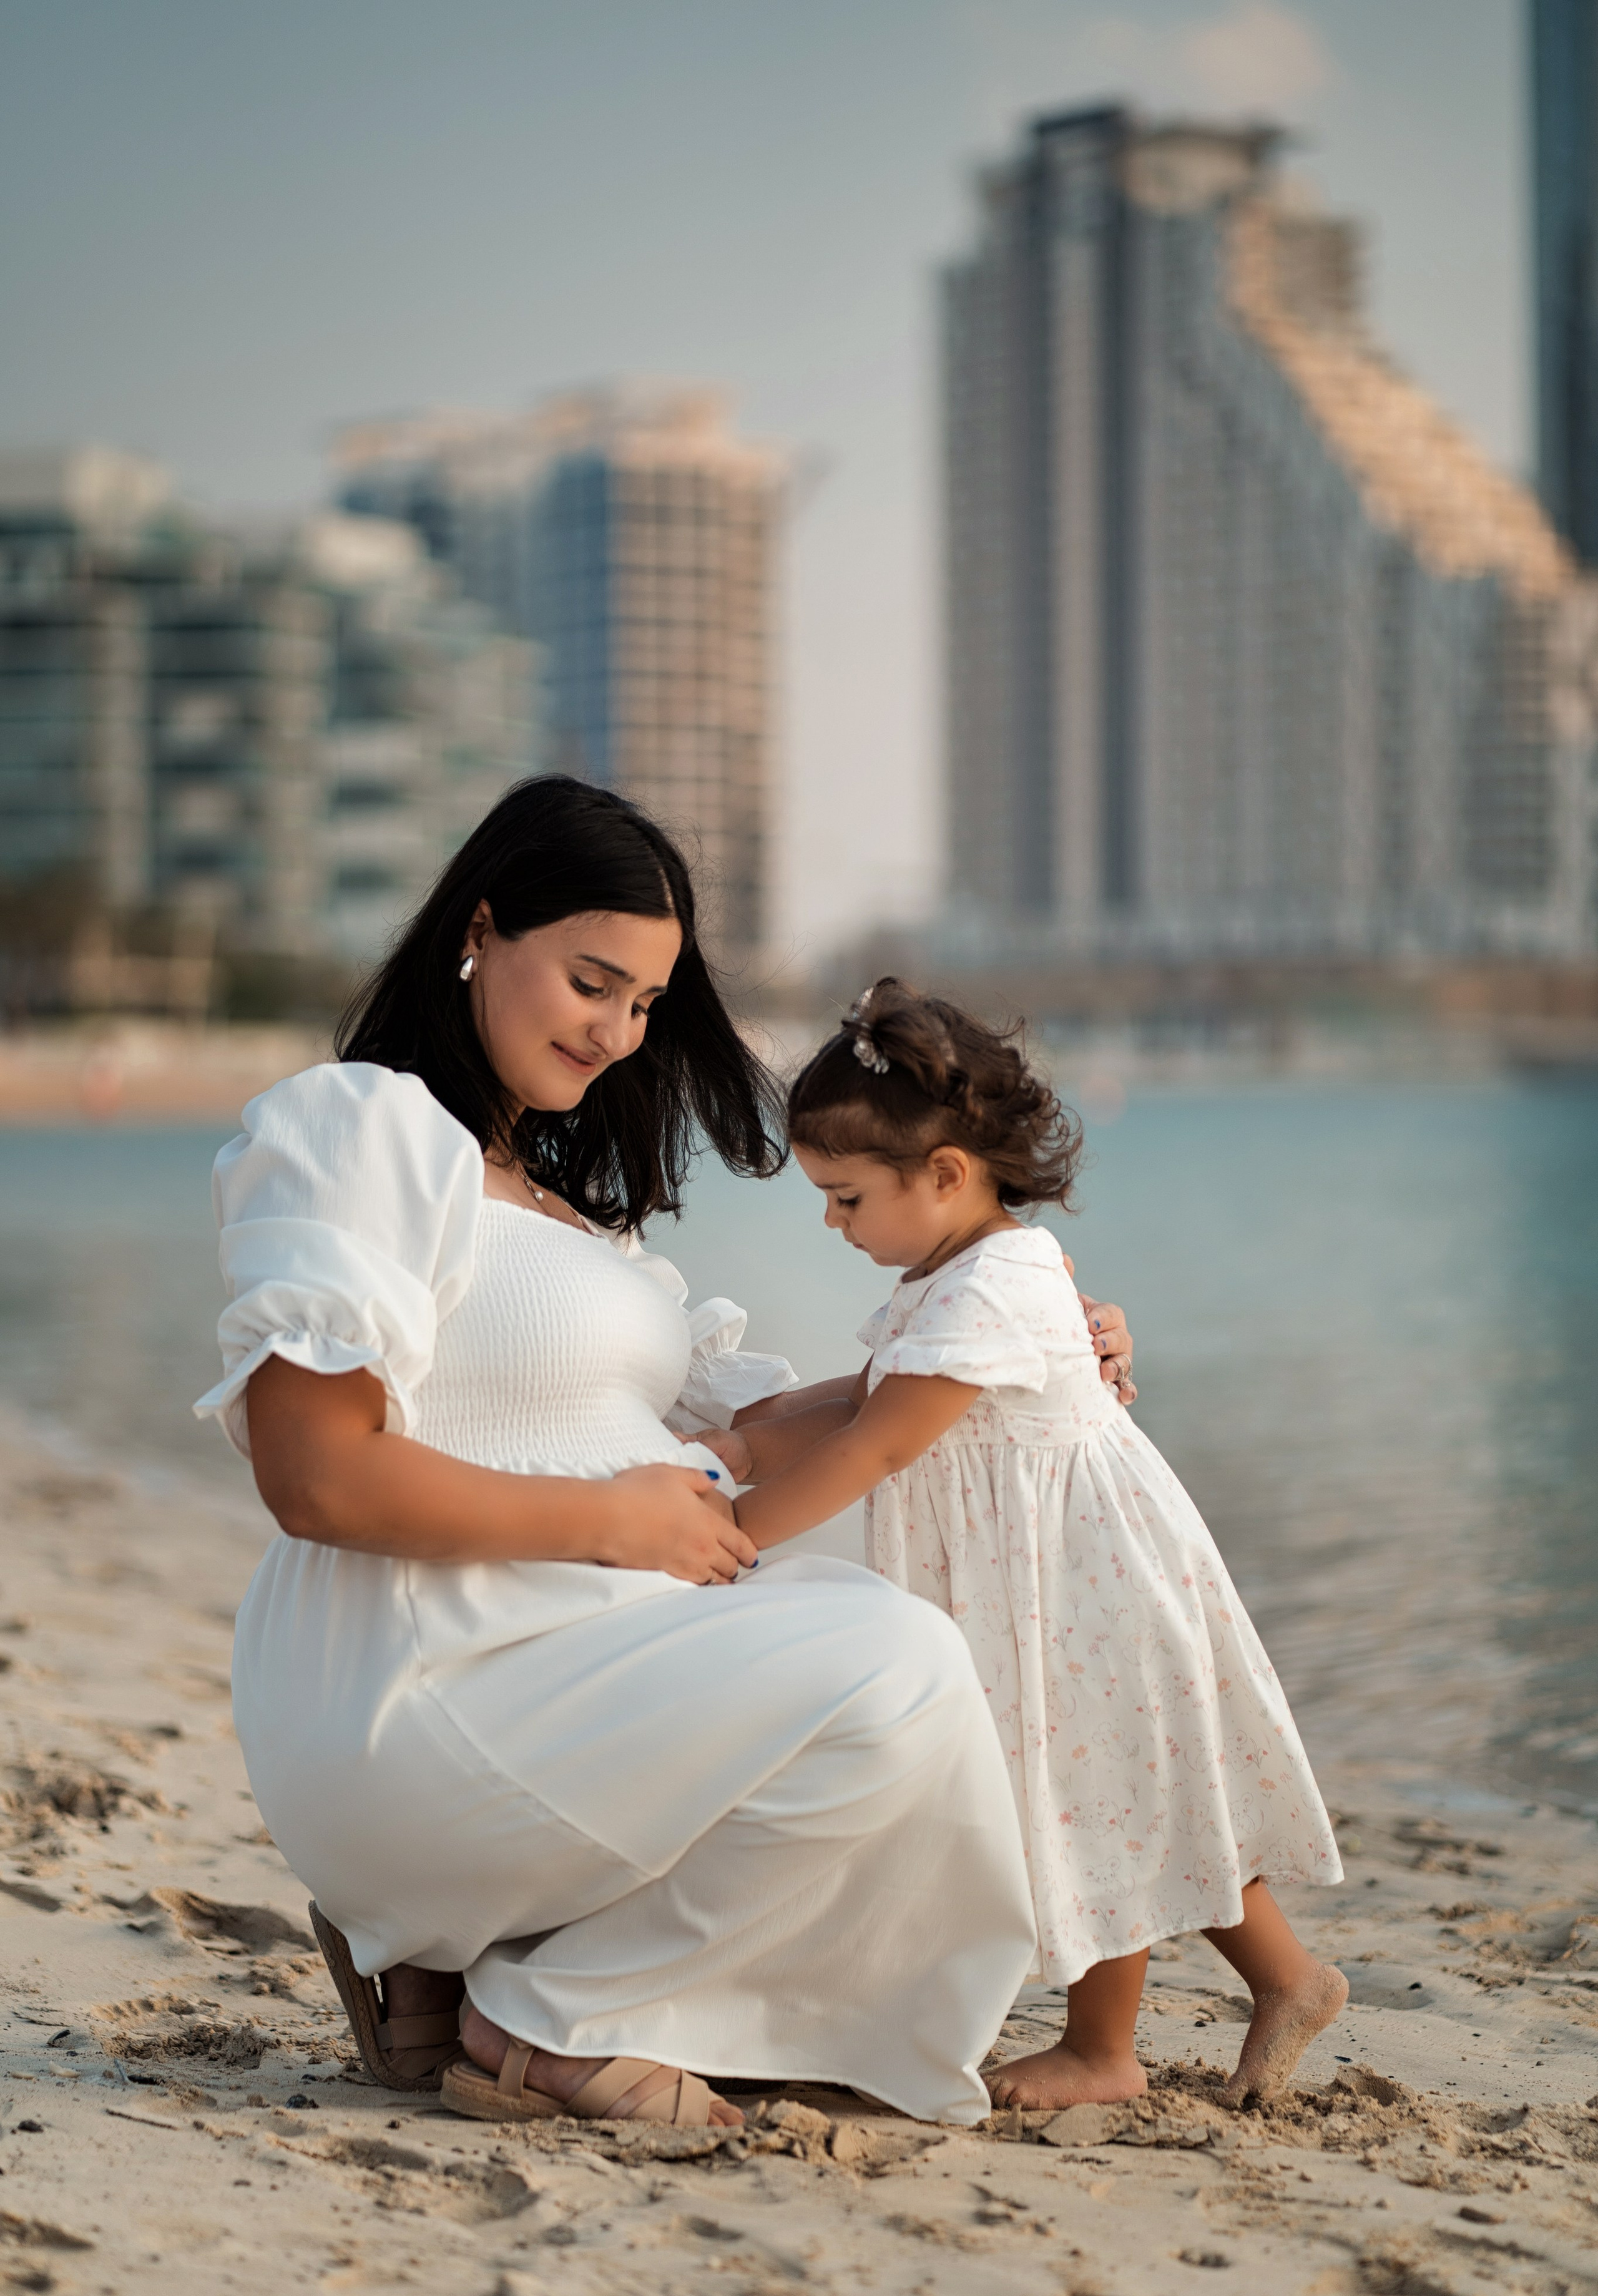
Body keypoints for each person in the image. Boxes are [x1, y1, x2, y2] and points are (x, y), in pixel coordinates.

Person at [195, 779, 1135, 2130]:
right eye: (591, 982)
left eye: (642, 1005)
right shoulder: (364, 1131)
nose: (616, 1032)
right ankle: (545, 2019)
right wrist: (609, 1523)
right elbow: (313, 1477)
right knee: (895, 1668)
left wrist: (1020, 1342)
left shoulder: (577, 1221)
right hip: (416, 1682)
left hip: (577, 1675)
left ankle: (467, 1969)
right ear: (478, 928)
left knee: (908, 1646)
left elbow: (754, 1439)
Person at [705, 980, 1348, 2113]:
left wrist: (732, 1538)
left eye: (845, 1198)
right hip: (1053, 1567)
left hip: (1077, 1578)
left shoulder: (991, 1285)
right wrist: (742, 1443)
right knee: (1139, 1793)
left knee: (1101, 1795)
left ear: (945, 1173)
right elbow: (862, 1393)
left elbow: (874, 1446)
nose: (829, 1224)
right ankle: (1288, 1978)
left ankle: (1106, 2051)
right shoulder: (959, 1269)